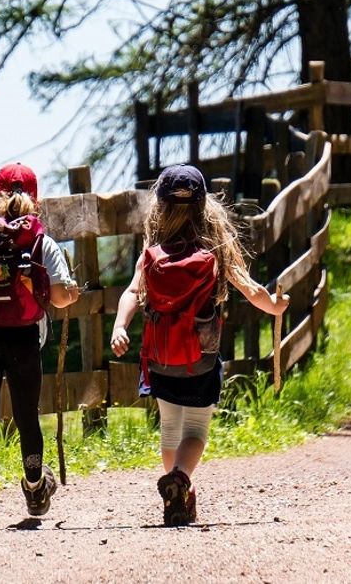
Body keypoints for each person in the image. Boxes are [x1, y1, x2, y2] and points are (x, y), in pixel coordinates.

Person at [109, 164, 288, 526]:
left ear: (158, 207)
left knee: (170, 428)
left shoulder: (153, 249)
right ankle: (180, 479)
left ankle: (177, 494)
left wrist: (119, 326)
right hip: (201, 359)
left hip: (160, 359)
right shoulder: (215, 247)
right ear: (204, 205)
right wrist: (274, 305)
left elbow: (132, 292)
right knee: (195, 432)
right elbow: (248, 287)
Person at [0, 163, 79, 528]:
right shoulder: (41, 241)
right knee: (26, 417)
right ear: (35, 199)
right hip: (24, 337)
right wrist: (71, 294)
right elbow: (57, 296)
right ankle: (36, 488)